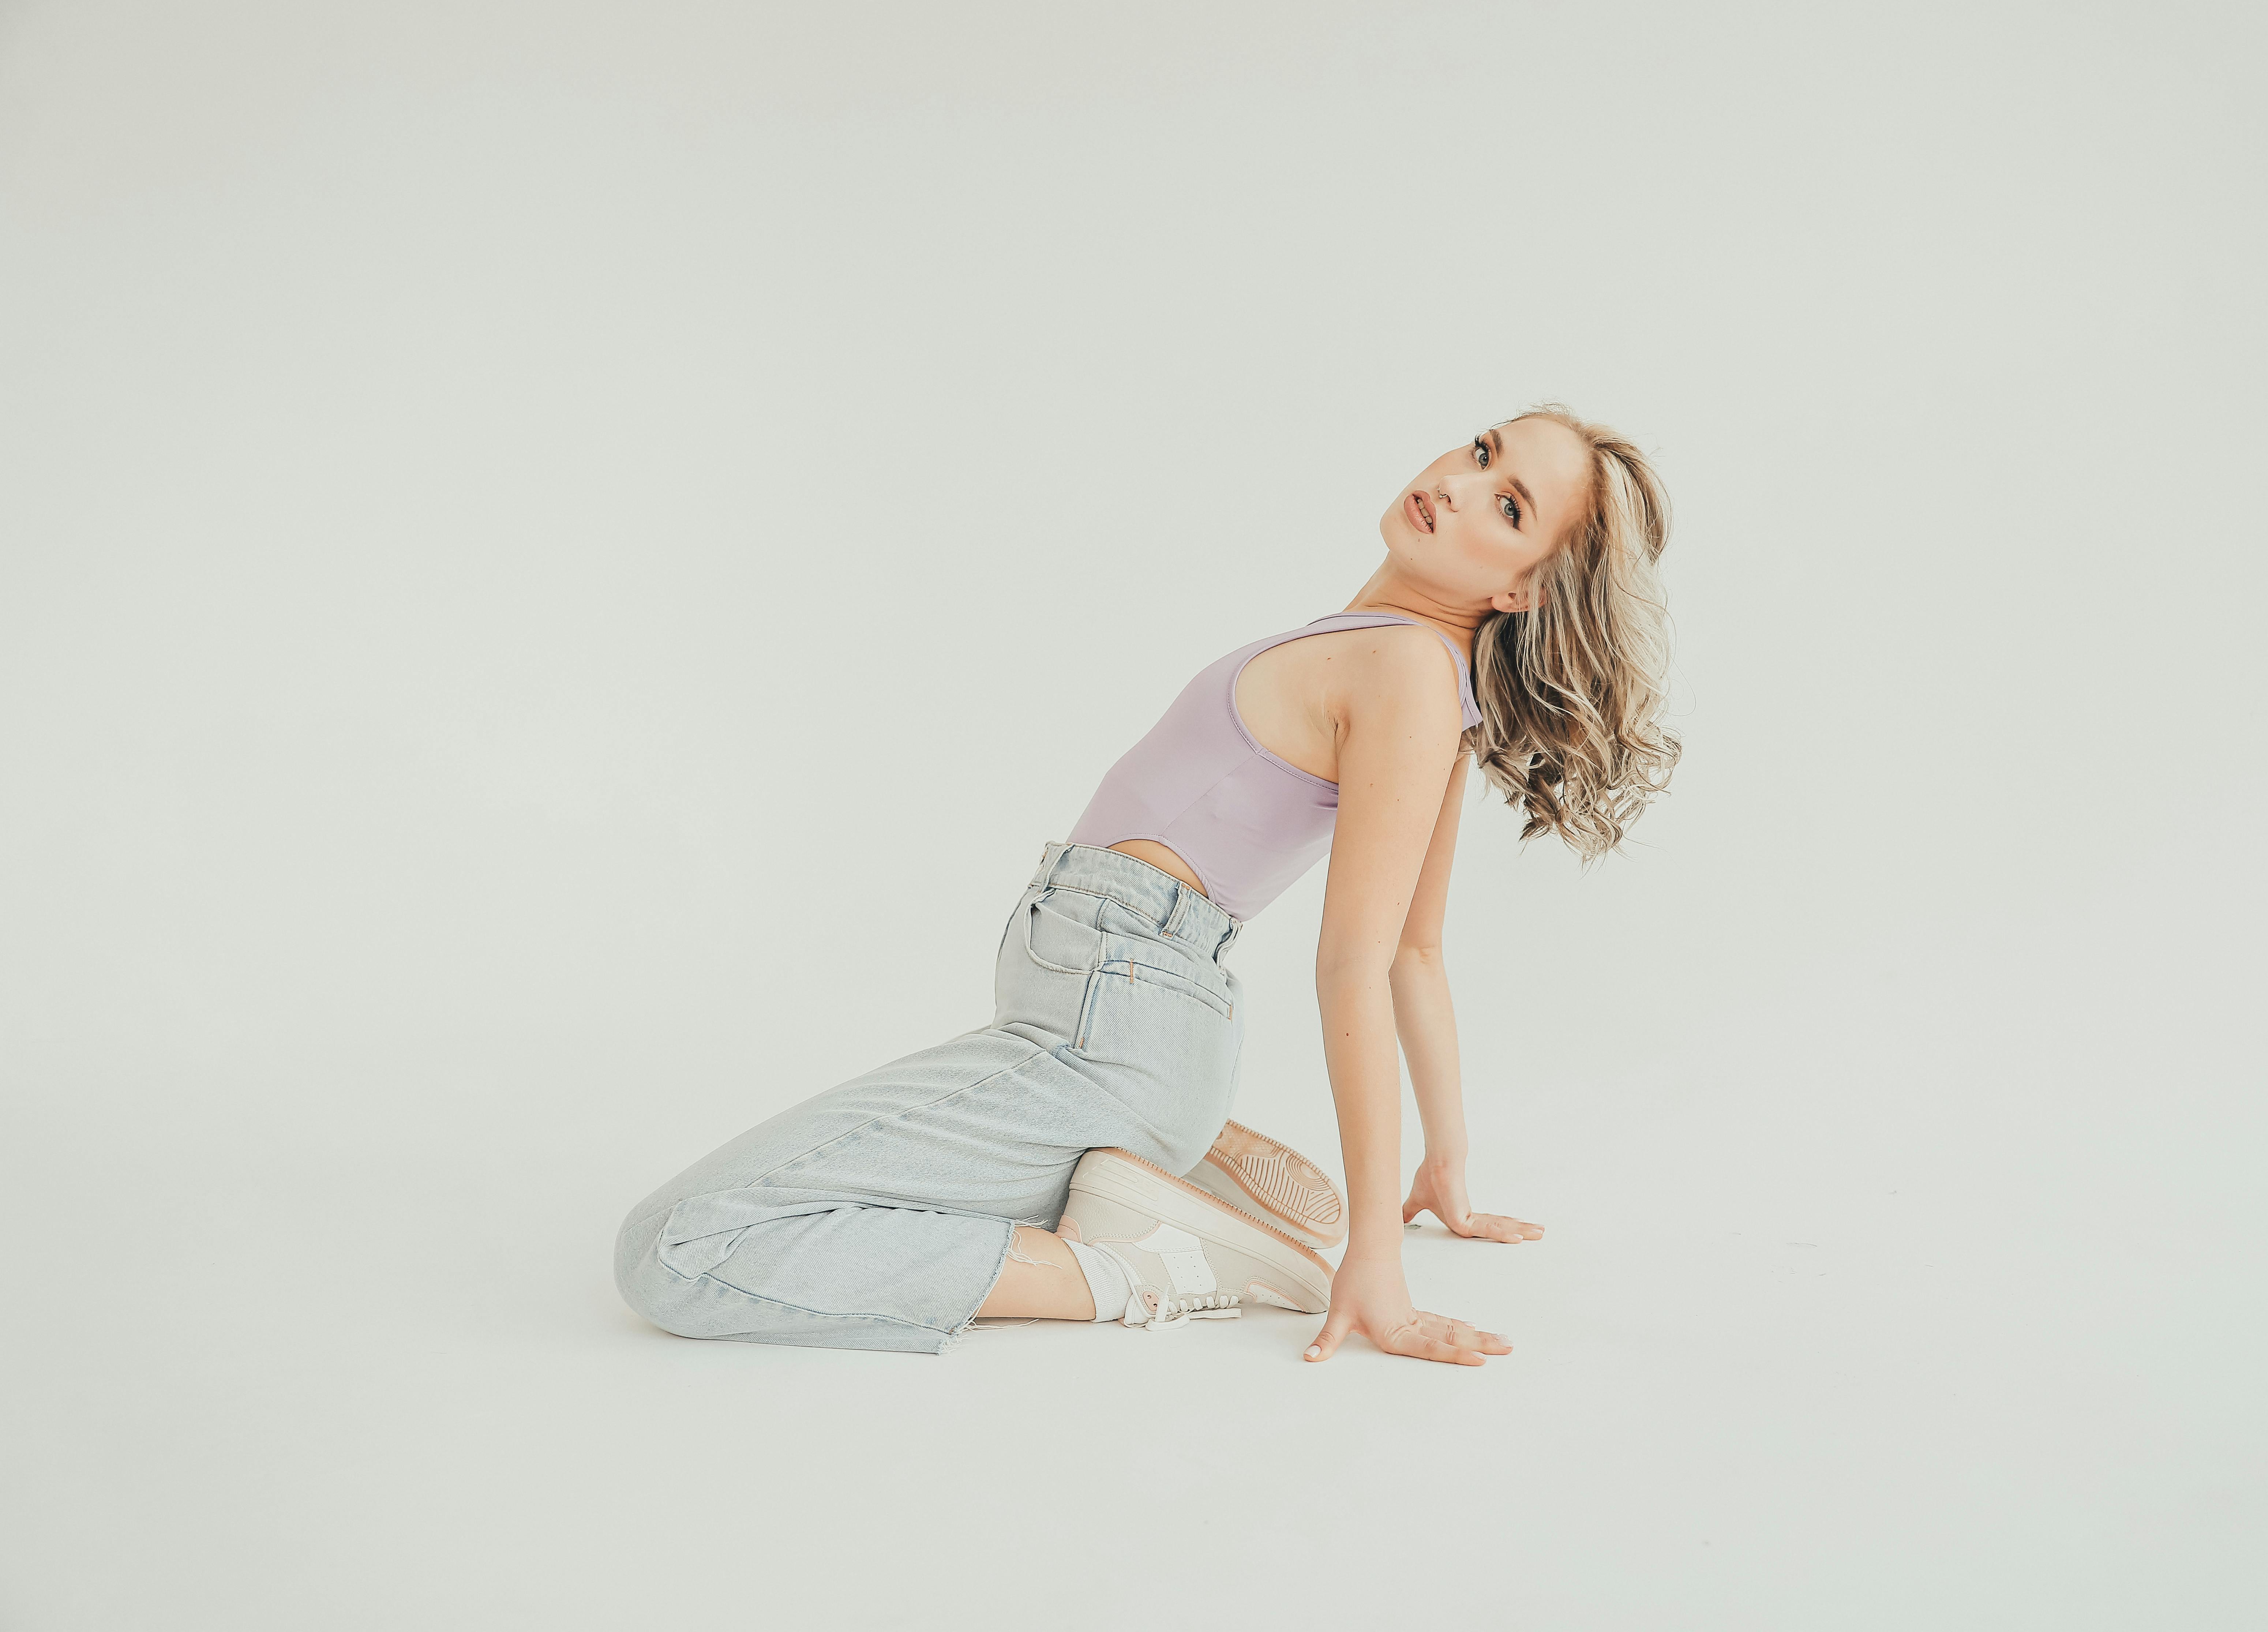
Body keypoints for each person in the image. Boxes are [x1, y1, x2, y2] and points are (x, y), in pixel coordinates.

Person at [612, 403, 1678, 1366]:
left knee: (677, 1247)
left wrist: (1376, 1262)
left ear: (1521, 587)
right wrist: (1445, 1167)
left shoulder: (1407, 672)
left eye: (1504, 502)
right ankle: (1157, 1163)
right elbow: (1420, 952)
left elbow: (1366, 960)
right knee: (783, 1210)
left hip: (1110, 1026)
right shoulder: (1399, 661)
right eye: (1481, 448)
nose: (1453, 480)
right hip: (1105, 1013)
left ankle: (1141, 1266)